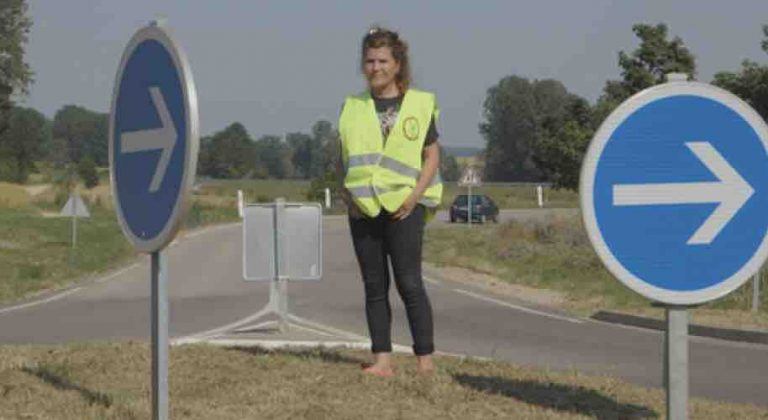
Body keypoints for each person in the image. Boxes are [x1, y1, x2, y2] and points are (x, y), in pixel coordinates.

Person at [337, 26, 443, 377]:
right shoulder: (352, 107)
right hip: (363, 208)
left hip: (405, 207)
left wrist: (415, 198)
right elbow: (345, 158)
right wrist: (347, 195)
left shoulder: (419, 103)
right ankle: (382, 359)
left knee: (410, 283)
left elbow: (431, 157)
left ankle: (425, 360)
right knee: (374, 285)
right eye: (369, 61)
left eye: (383, 60)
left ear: (397, 64)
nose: (375, 67)